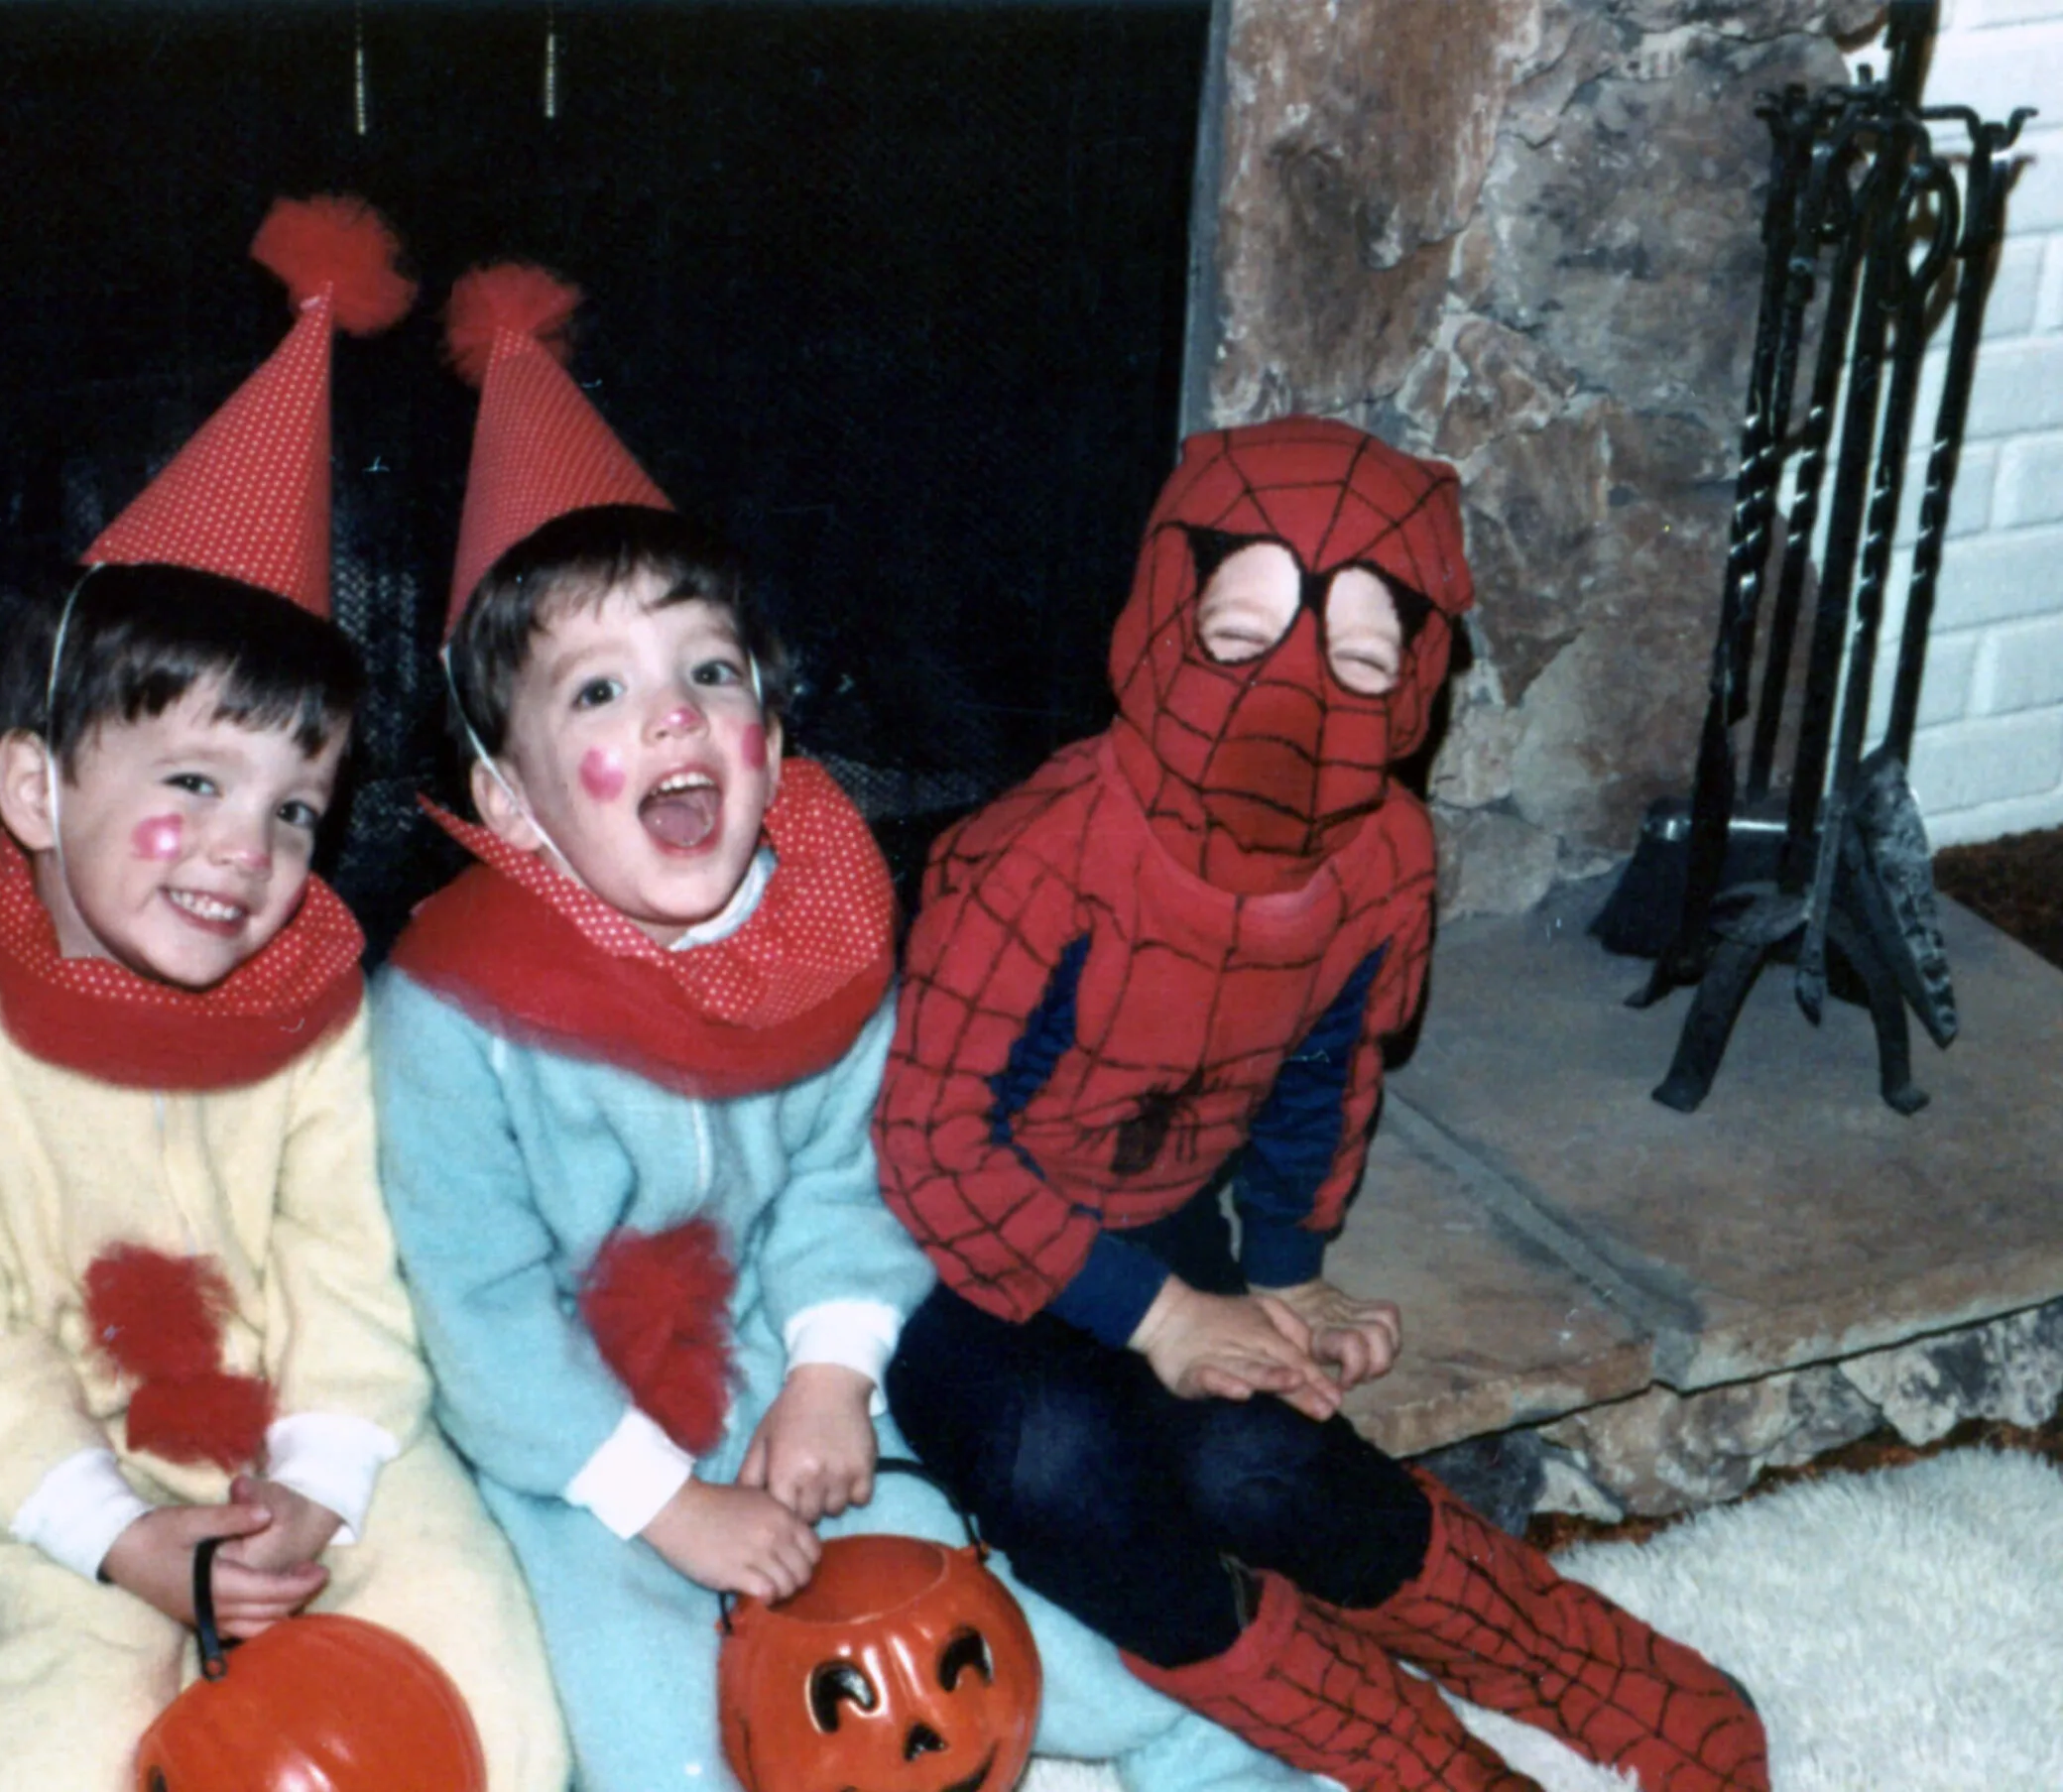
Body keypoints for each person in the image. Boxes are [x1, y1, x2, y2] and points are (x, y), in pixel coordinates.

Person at [372, 263, 1314, 1792]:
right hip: (568, 1451)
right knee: (650, 1727)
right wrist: (667, 1508)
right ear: (510, 804)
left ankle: (1214, 1752)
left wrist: (829, 1369)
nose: (672, 715)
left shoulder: (817, 937)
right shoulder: (452, 1015)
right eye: (600, 692)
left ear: (773, 735)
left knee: (975, 1629)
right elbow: (479, 1308)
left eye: (711, 671)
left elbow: (856, 1172)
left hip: (776, 1374)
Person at [874, 415, 1769, 1792]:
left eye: (1357, 662)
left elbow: (1322, 1078)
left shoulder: (1386, 861)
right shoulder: (1037, 859)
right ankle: (1418, 1760)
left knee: (1260, 1464)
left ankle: (1584, 1665)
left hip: (1167, 1218)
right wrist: (1165, 1321)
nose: (1293, 700)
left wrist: (1287, 1276)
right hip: (944, 1269)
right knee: (1066, 1467)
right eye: (1240, 638)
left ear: (1414, 688)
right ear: (1165, 621)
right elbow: (933, 1149)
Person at [0, 198, 565, 1792]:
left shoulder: (315, 1009)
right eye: (195, 779)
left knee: (494, 1712)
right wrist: (113, 1531)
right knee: (60, 1755)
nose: (247, 850)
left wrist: (330, 1472)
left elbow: (357, 1262)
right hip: (31, 1482)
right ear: (33, 783)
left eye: (295, 807)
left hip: (308, 1435)